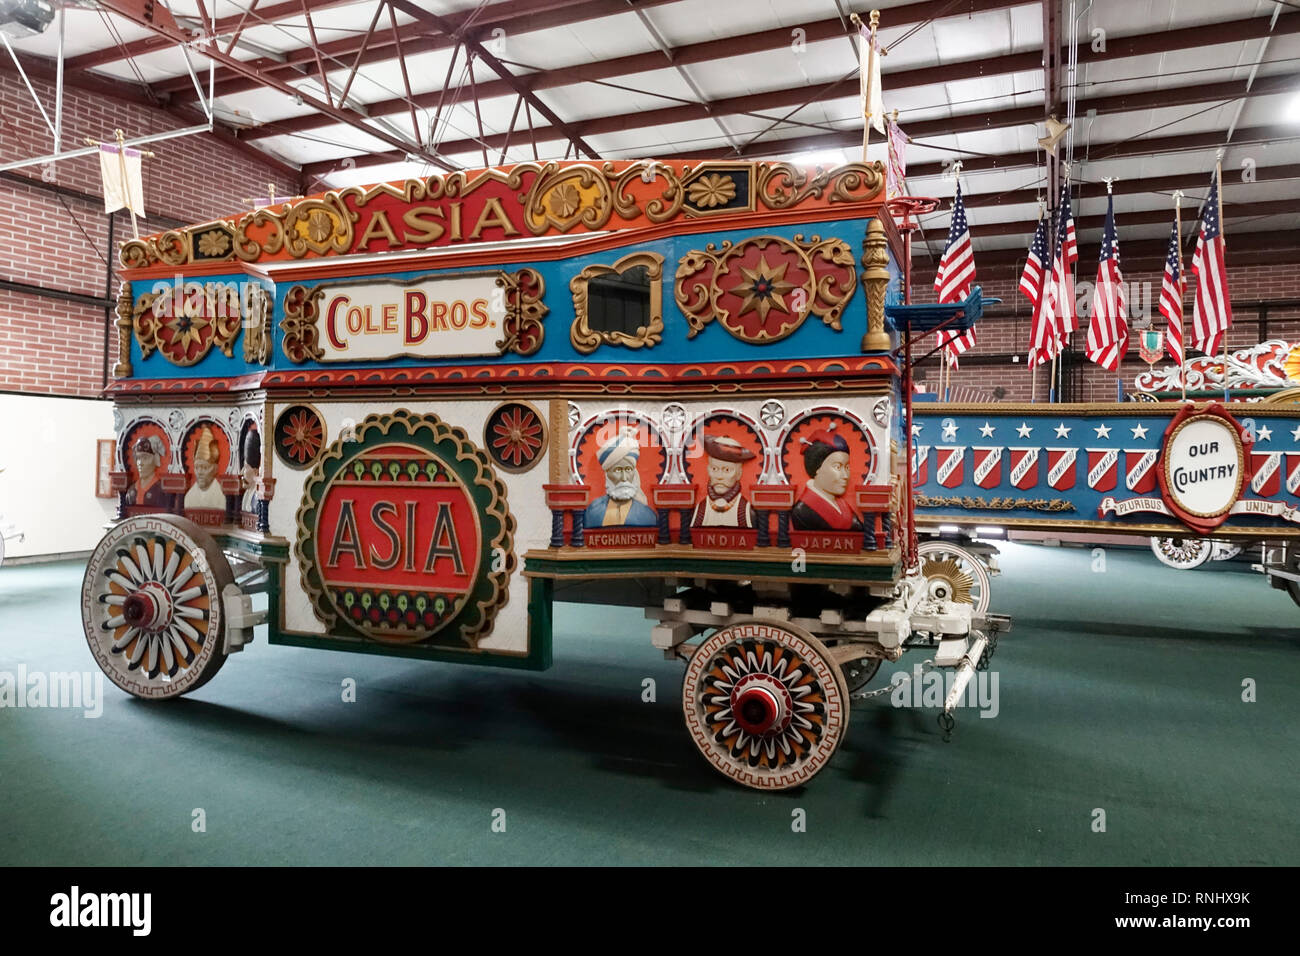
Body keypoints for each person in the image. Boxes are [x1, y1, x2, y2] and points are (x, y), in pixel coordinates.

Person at [790, 428, 863, 531]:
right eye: (837, 467)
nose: (845, 475)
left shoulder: (843, 506)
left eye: (847, 467)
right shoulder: (803, 511)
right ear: (817, 468)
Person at [583, 429, 658, 528]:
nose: (624, 478)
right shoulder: (592, 512)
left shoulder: (648, 515)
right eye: (618, 470)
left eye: (628, 469)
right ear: (607, 474)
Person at [691, 434, 756, 528]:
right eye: (714, 469)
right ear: (708, 470)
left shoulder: (747, 513)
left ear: (739, 474)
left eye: (727, 470)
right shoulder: (699, 511)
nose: (719, 477)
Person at [184, 428, 228, 511]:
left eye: (205, 467)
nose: (200, 472)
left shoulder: (221, 496)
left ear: (215, 469)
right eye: (197, 467)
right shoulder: (189, 496)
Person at [125, 435, 170, 509]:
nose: (140, 463)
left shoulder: (161, 490)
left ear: (156, 460)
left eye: (145, 458)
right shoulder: (131, 491)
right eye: (138, 458)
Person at [241, 428, 262, 514]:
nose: (241, 472)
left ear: (256, 471)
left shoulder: (257, 498)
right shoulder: (247, 493)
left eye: (246, 467)